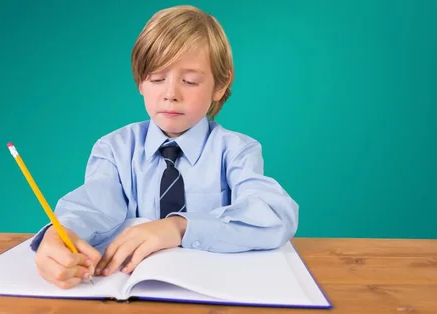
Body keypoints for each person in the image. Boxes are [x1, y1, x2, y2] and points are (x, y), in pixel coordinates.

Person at [31, 5, 299, 289]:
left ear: (219, 86)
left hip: (210, 290)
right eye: (157, 79)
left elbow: (274, 214)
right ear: (141, 82)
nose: (171, 94)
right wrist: (63, 233)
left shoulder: (236, 150)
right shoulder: (114, 148)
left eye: (190, 81)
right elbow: (95, 203)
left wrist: (179, 227)